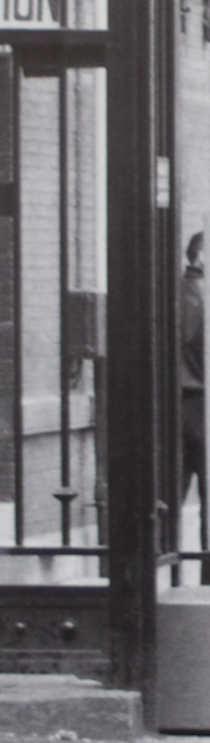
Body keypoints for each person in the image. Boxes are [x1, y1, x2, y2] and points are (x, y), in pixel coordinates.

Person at [181, 231, 209, 580]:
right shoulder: (203, 297)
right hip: (203, 402)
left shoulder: (170, 291)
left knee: (169, 497)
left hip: (178, 405)